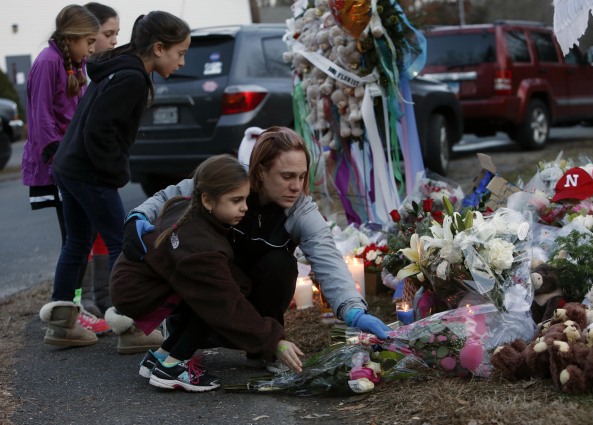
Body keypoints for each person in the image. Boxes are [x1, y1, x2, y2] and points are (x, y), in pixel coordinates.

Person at [123, 126, 392, 348]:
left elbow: (328, 258)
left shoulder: (300, 209)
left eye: (301, 176)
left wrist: (353, 309)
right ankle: (184, 341)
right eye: (287, 176)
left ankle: (262, 347)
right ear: (260, 171)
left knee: (280, 263)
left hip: (250, 296)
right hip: (207, 288)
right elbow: (169, 196)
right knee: (200, 260)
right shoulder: (227, 181)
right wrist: (138, 216)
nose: (296, 186)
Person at [38, 11, 191, 348]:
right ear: (159, 47)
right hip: (88, 171)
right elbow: (100, 130)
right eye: (180, 53)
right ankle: (131, 325)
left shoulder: (120, 68)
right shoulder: (131, 78)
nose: (181, 62)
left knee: (78, 242)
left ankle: (62, 326)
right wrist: (114, 172)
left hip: (69, 165)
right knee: (125, 242)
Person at [110, 155, 304, 392]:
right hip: (138, 293)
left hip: (133, 284)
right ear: (208, 200)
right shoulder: (201, 246)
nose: (244, 208)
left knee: (230, 282)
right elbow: (225, 304)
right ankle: (174, 366)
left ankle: (161, 356)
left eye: (245, 199)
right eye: (235, 200)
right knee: (217, 296)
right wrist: (273, 340)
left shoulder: (189, 210)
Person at [21, 5, 98, 251]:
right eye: (89, 41)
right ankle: (69, 291)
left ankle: (76, 290)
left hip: (74, 159)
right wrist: (58, 157)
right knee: (74, 239)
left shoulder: (76, 62)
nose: (92, 49)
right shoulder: (47, 61)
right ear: (72, 37)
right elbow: (40, 115)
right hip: (59, 163)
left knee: (83, 236)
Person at [78, 2, 120, 319]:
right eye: (108, 34)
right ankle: (78, 303)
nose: (113, 42)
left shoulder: (101, 69)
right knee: (80, 237)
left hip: (95, 166)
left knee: (102, 232)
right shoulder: (73, 69)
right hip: (76, 167)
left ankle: (103, 297)